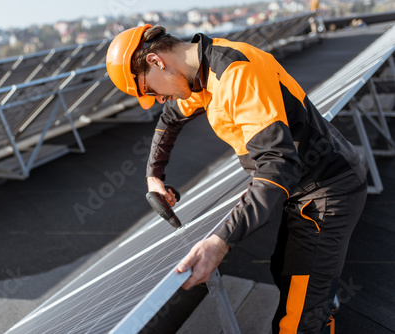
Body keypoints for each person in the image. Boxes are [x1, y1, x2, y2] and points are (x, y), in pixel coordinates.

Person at [106, 24, 367, 333]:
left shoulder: (236, 75)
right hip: (303, 190)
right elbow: (170, 118)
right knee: (285, 272)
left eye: (150, 90)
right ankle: (322, 306)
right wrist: (154, 174)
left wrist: (220, 240)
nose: (159, 99)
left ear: (156, 61)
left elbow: (276, 165)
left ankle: (318, 311)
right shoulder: (200, 74)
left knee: (295, 324)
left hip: (328, 191)